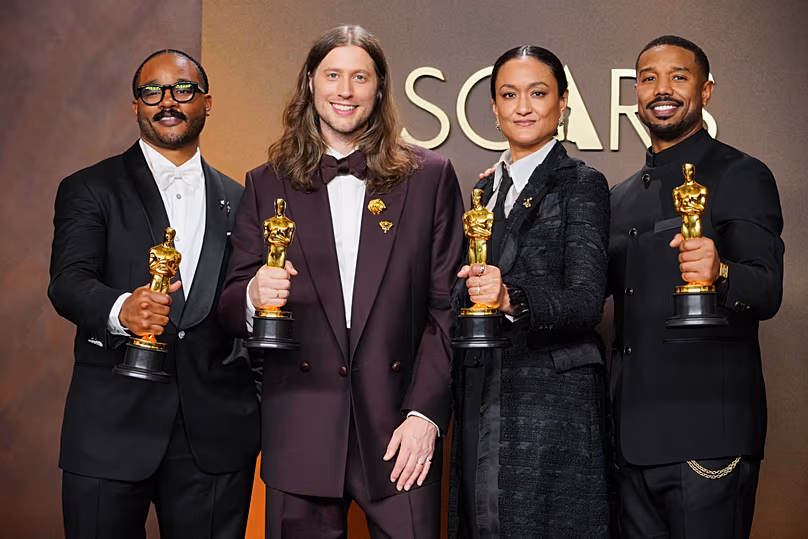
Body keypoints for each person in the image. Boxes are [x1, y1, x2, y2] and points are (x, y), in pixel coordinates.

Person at [217, 25, 464, 538]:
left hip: (401, 431)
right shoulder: (266, 182)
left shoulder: (431, 177)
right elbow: (228, 302)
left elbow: (448, 306)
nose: (345, 91)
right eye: (333, 75)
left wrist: (426, 414)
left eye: (359, 77)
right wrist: (251, 296)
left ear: (380, 88)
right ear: (310, 83)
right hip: (299, 425)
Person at [48, 49, 259, 539]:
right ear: (136, 104)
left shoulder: (244, 199)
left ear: (207, 103)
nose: (168, 101)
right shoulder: (88, 187)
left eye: (183, 90)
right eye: (152, 91)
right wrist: (123, 309)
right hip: (109, 429)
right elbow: (68, 283)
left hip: (215, 435)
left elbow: (239, 305)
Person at [608, 35, 784, 539]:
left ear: (705, 91)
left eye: (678, 77)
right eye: (648, 79)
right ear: (636, 93)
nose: (661, 89)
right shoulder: (619, 197)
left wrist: (721, 271)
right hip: (630, 445)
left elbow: (767, 288)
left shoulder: (742, 174)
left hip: (708, 442)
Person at [449, 45, 611, 539]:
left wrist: (510, 298)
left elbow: (586, 299)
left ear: (563, 104)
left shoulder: (581, 183)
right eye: (509, 94)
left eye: (538, 93)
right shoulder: (483, 192)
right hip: (482, 393)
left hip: (553, 407)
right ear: (494, 110)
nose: (523, 106)